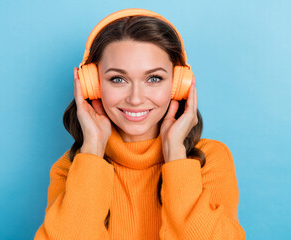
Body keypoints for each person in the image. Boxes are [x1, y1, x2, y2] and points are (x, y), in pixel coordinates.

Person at [34, 8, 246, 240]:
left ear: (178, 84)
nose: (135, 99)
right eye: (118, 79)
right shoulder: (71, 167)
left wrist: (175, 155)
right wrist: (93, 149)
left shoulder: (209, 159)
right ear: (92, 84)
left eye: (154, 78)